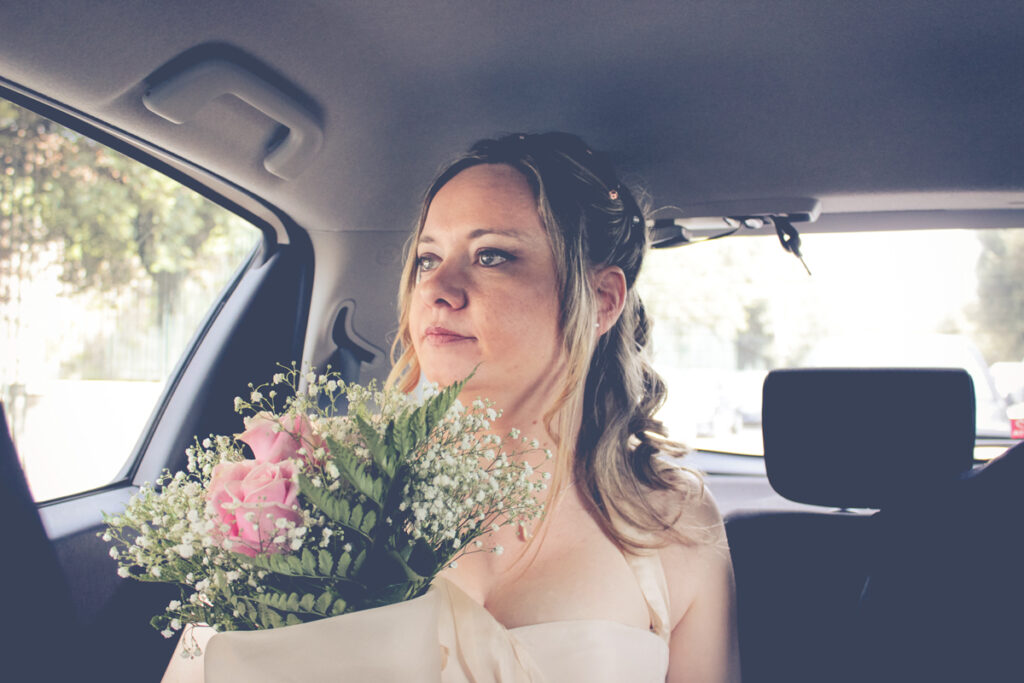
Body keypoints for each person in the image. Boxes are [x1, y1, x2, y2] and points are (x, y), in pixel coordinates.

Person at [167, 132, 739, 682]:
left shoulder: (673, 519)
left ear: (603, 299)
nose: (440, 288)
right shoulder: (316, 476)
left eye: (492, 257)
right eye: (426, 259)